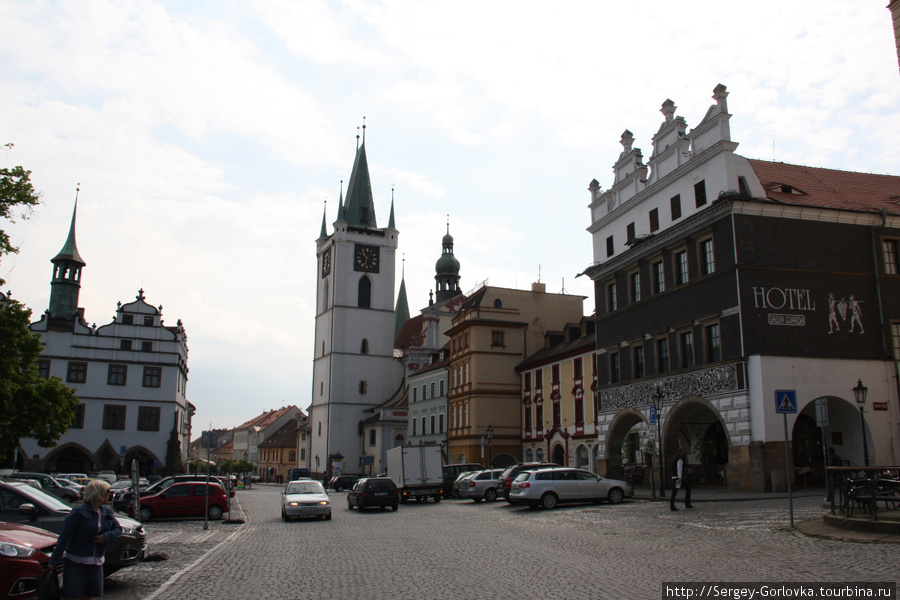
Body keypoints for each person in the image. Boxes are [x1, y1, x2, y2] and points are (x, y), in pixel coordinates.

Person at [49, 479, 122, 600]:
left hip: (96, 562)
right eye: (107, 491)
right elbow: (64, 537)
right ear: (98, 493)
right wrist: (54, 561)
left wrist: (106, 537)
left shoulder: (106, 512)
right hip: (76, 562)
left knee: (89, 595)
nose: (110, 494)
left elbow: (118, 530)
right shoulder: (78, 513)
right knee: (73, 595)